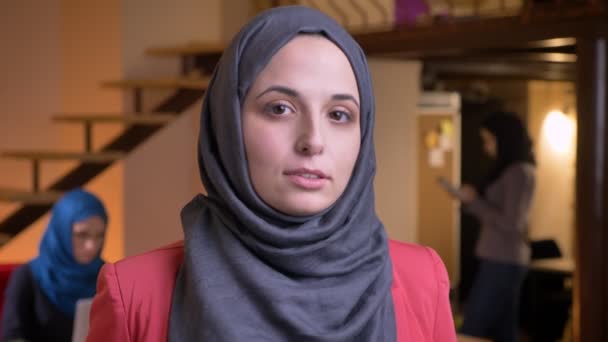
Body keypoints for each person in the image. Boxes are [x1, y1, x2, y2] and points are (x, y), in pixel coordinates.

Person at [86, 6, 457, 342]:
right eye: (280, 108)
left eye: (339, 114)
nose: (313, 140)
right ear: (227, 125)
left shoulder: (422, 280)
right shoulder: (136, 293)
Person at [457, 112, 536, 342]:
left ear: (504, 139)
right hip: (503, 257)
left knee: (474, 324)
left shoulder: (519, 172)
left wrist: (474, 202)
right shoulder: (514, 170)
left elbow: (512, 222)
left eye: (488, 140)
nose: (486, 147)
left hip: (504, 259)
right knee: (504, 329)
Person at [1, 189, 108, 342]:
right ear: (61, 231)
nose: (91, 246)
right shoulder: (27, 276)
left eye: (99, 235)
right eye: (82, 235)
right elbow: (11, 337)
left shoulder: (109, 277)